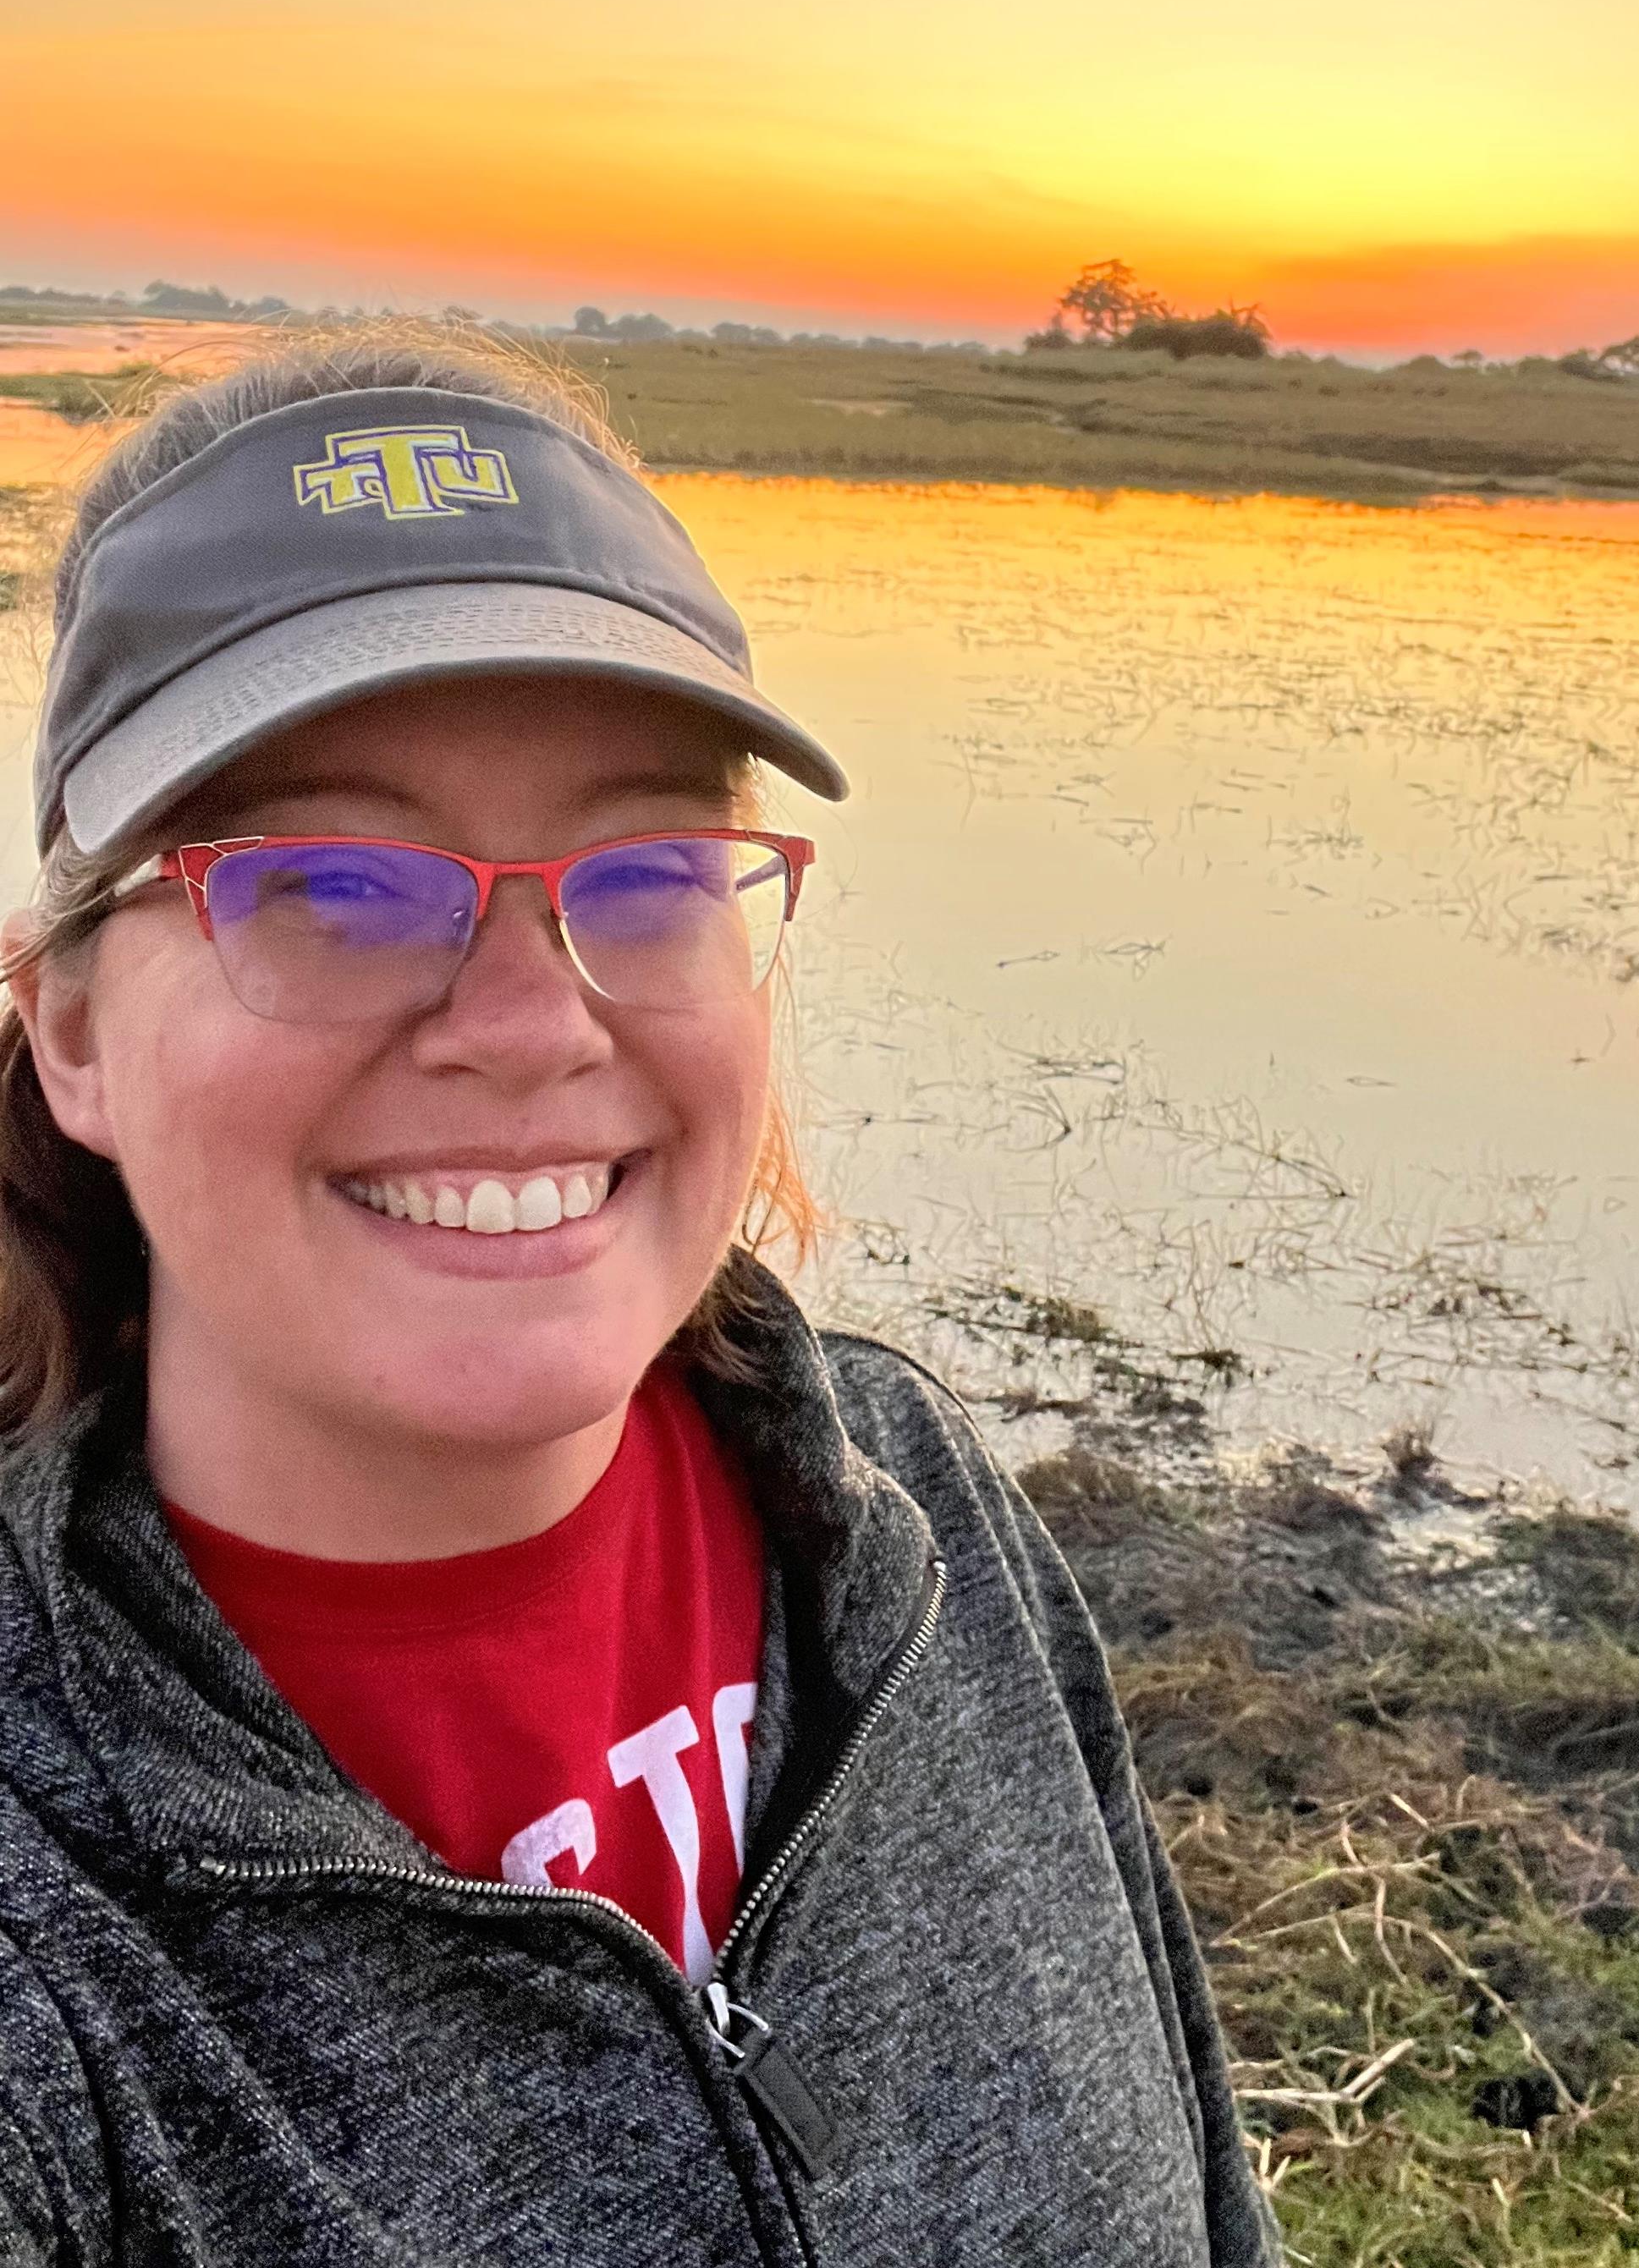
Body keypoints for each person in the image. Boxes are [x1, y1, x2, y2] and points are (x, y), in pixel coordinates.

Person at [0, 335, 1276, 2265]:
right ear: (71, 1025)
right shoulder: (49, 1943)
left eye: (655, 864)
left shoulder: (914, 1514)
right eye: (333, 886)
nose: (528, 1021)